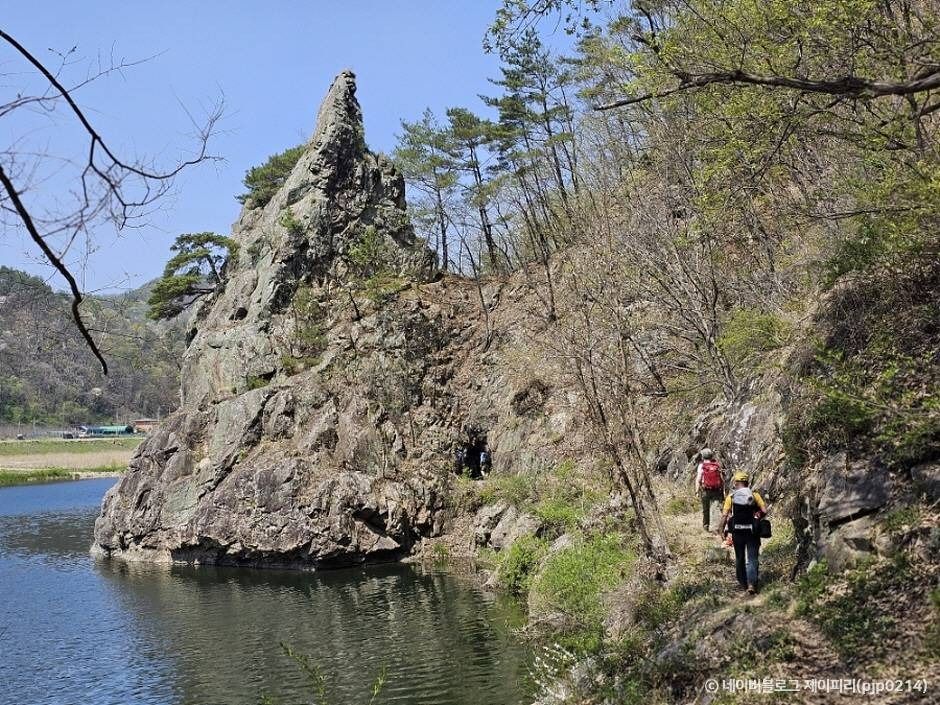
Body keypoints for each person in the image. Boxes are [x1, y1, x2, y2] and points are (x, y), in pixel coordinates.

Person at [718, 471, 767, 594]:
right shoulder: (754, 495)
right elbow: (764, 510)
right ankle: (752, 584)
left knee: (739, 558)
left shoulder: (731, 497)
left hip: (737, 532)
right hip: (752, 531)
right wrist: (757, 516)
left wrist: (721, 530)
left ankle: (743, 584)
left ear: (736, 483)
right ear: (747, 482)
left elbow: (724, 515)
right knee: (752, 558)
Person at [695, 448, 724, 532]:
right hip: (716, 490)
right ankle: (716, 528)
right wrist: (723, 490)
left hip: (705, 490)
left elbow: (698, 479)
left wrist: (697, 491)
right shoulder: (717, 465)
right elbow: (721, 479)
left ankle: (706, 526)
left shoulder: (701, 466)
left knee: (705, 509)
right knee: (715, 508)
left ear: (703, 456)